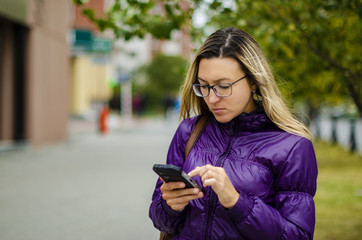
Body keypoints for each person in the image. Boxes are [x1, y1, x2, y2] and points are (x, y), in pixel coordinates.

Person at [149, 27, 318, 240]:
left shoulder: (293, 146)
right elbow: (160, 220)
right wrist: (169, 206)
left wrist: (237, 202)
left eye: (223, 86)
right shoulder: (189, 131)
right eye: (204, 86)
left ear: (254, 81)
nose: (211, 99)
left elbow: (298, 236)